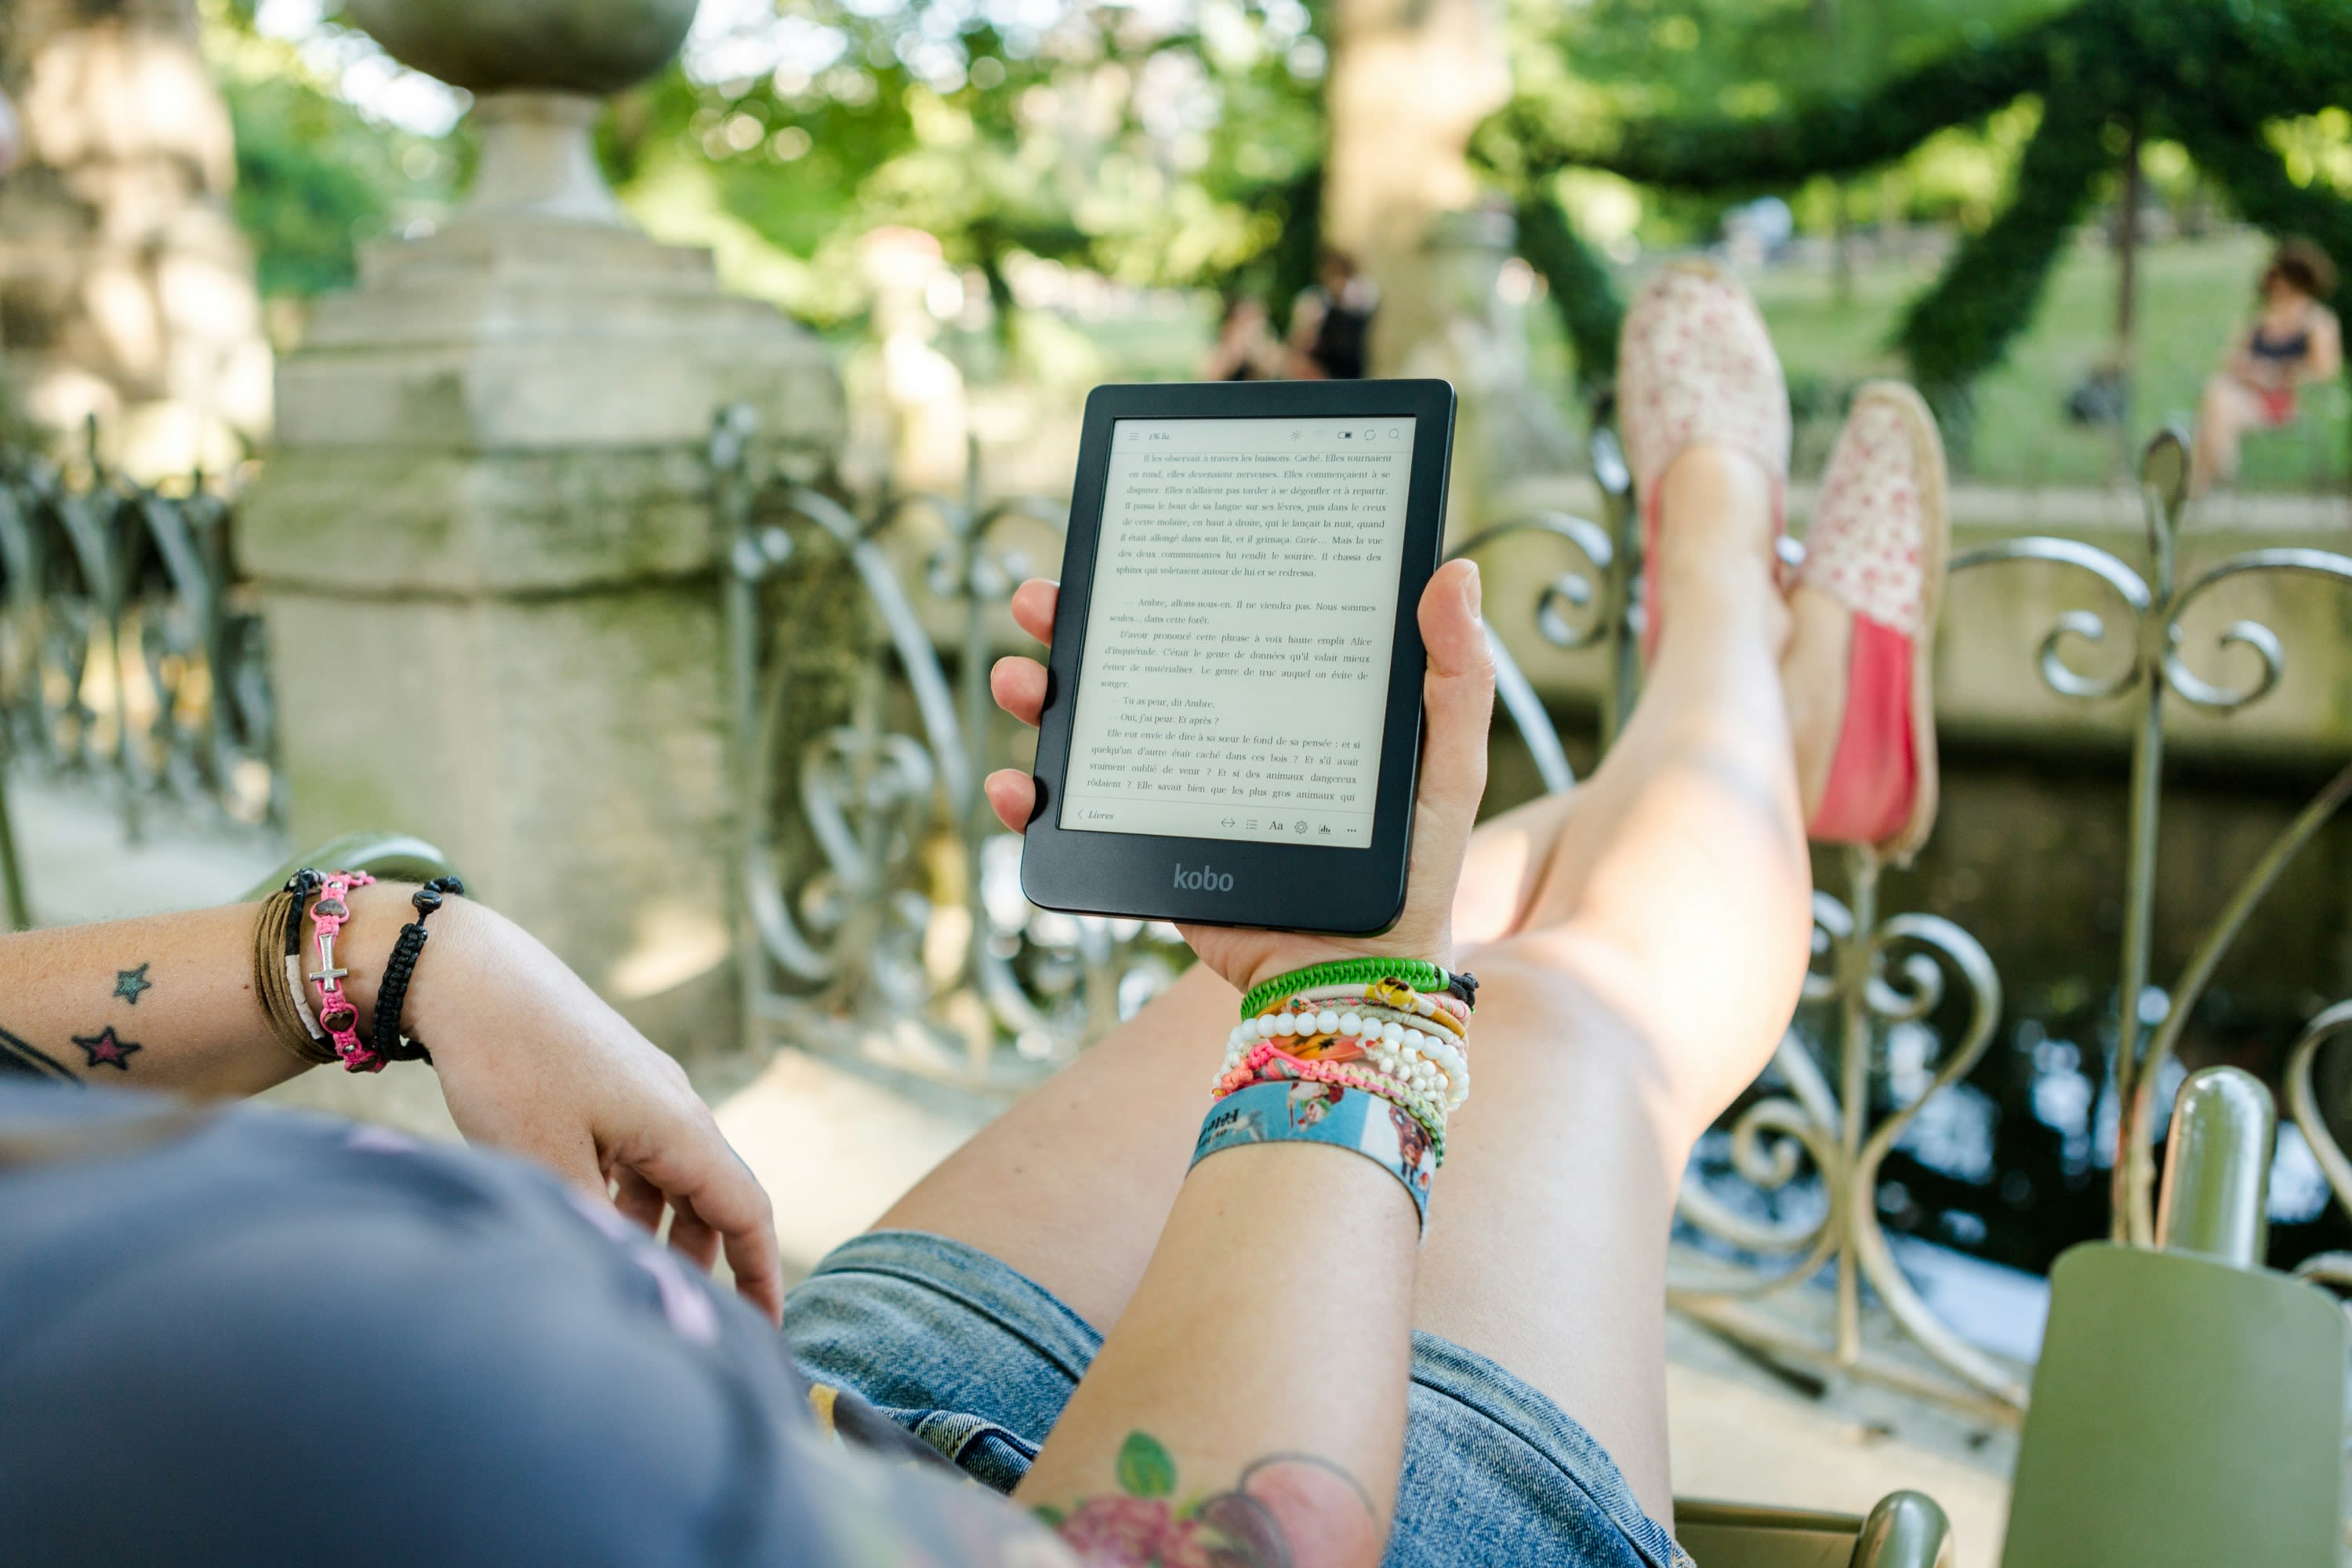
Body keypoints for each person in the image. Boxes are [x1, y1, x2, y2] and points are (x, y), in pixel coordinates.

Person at [0, 261, 1949, 1566]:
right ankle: (1725, 609)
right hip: (1165, 1522)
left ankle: (1761, 725)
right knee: (1567, 1015)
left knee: (1427, 905)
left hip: (844, 1383)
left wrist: (393, 949)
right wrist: (1342, 1011)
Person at [2191, 238, 2343, 495]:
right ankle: (2213, 473)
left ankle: (2204, 480)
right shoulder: (2261, 319)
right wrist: (2252, 372)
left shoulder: (2317, 322)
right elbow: (2232, 359)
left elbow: (2325, 371)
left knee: (2217, 402)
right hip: (2247, 395)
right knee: (2219, 393)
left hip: (2285, 402)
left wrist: (2278, 374)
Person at [1288, 250, 1378, 380]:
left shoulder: (1361, 297)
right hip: (1320, 370)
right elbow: (1300, 341)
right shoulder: (1314, 300)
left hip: (1351, 369)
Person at [1203, 293, 1284, 381]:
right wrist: (1235, 350)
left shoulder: (1269, 343)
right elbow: (1212, 376)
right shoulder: (1227, 342)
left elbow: (1275, 373)